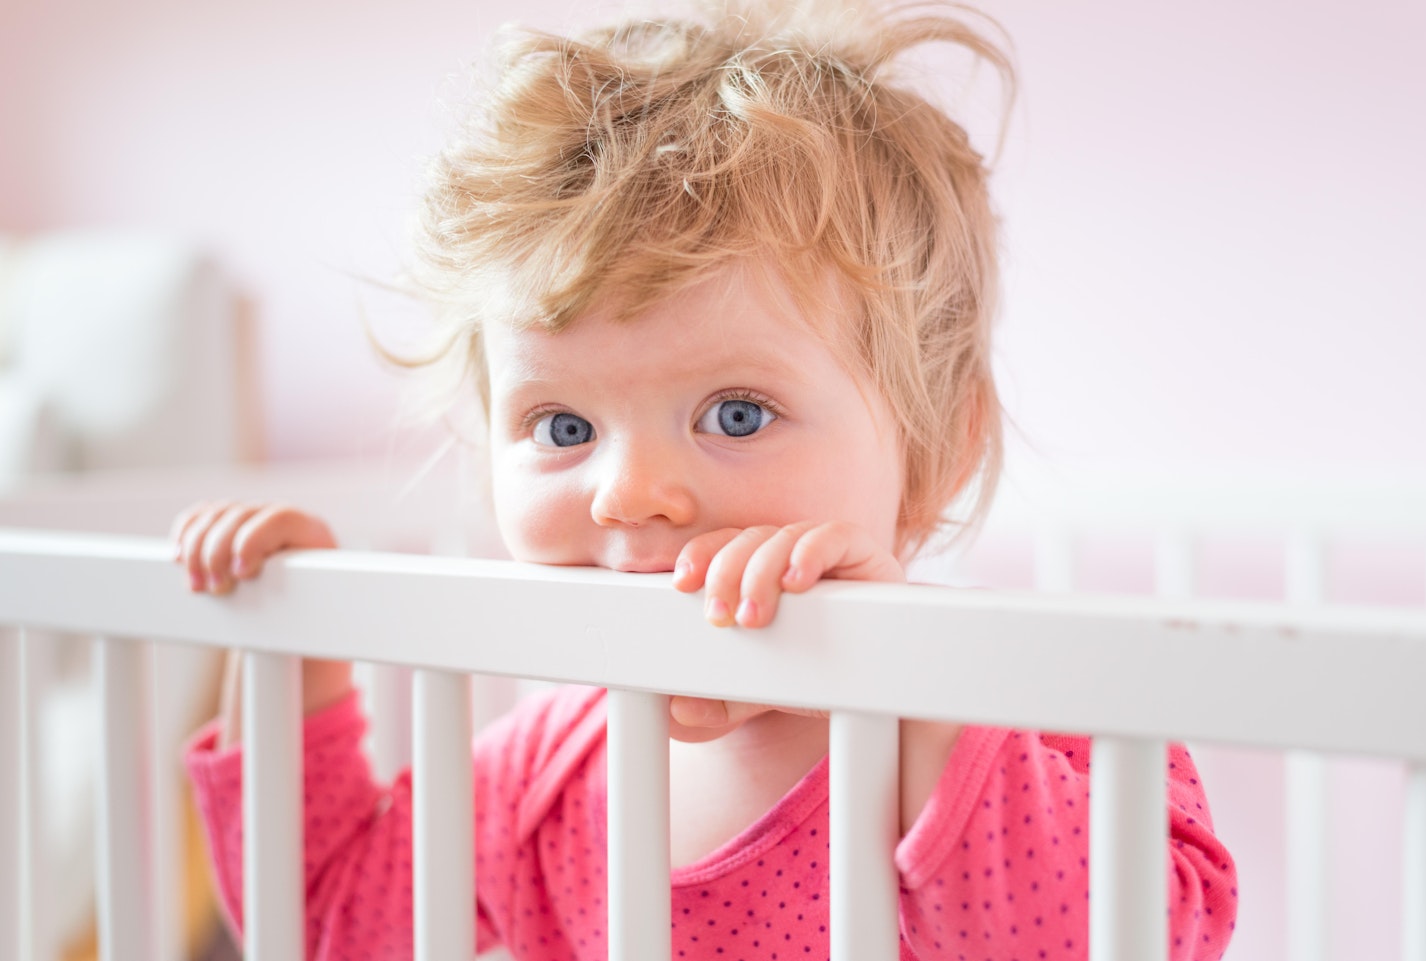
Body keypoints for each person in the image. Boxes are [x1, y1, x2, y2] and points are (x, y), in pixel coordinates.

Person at [175, 1, 1239, 958]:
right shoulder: (548, 768)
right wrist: (290, 650)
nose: (629, 492)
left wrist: (916, 695)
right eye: (562, 423)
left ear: (936, 448)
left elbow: (1114, 939)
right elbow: (336, 925)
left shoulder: (1043, 711)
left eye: (737, 415)